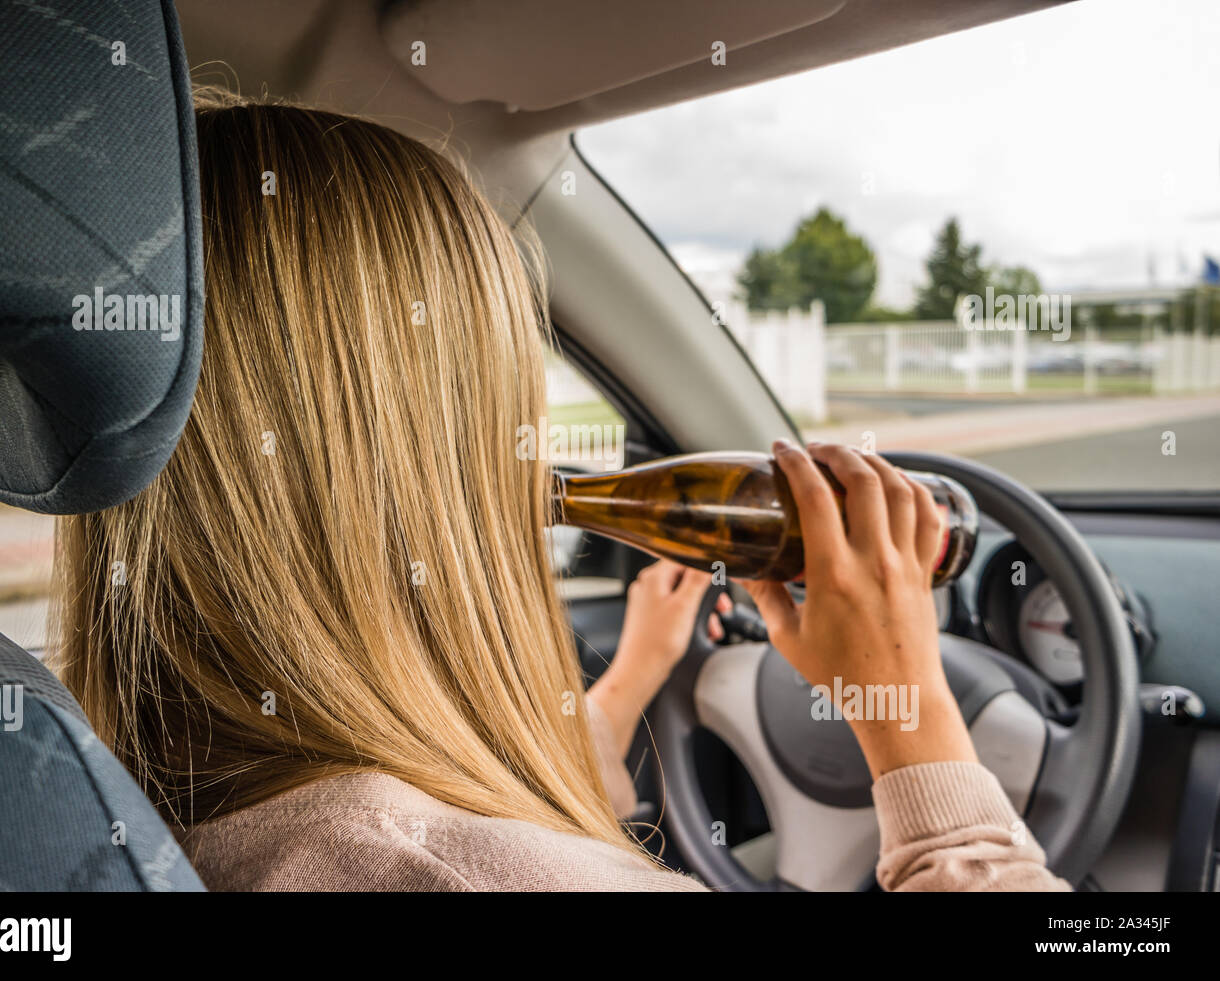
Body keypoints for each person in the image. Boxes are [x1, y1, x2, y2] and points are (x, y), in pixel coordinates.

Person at [54, 94, 1067, 892]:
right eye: (503, 389)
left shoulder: (93, 795)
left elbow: (407, 809)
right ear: (435, 443)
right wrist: (911, 718)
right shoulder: (459, 876)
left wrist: (630, 681)